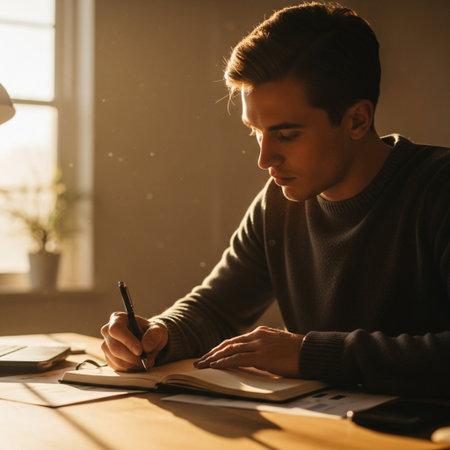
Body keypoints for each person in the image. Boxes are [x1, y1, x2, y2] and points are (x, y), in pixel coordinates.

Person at [101, 2, 450, 396]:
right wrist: (159, 334)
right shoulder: (278, 203)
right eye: (256, 131)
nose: (264, 159)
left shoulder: (439, 189)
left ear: (357, 120)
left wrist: (308, 353)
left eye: (286, 135)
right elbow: (216, 308)